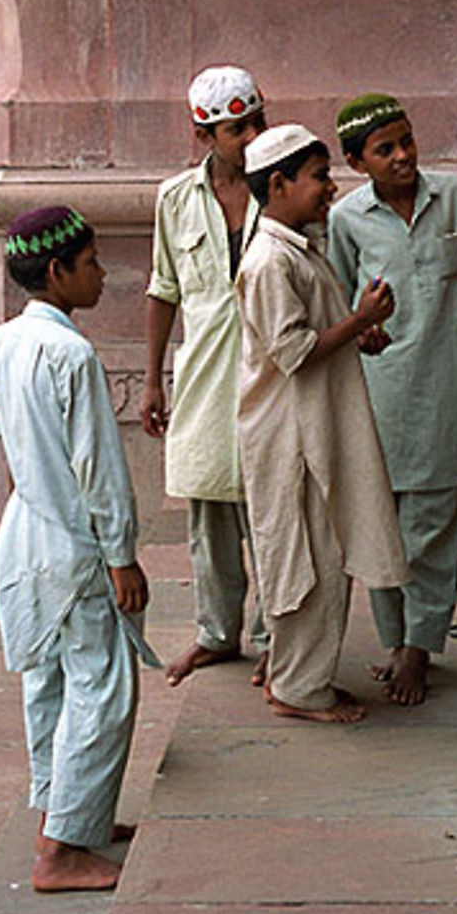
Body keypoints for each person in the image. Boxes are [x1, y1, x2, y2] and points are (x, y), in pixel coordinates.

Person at [0, 206, 157, 894]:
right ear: (57, 272)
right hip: (74, 548)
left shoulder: (5, 343)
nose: (102, 274)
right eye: (91, 263)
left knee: (52, 685)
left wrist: (20, 435)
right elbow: (99, 470)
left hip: (29, 538)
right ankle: (60, 852)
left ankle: (67, 816)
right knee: (103, 689)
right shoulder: (69, 354)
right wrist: (122, 556)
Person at [327, 92, 457, 707]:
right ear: (359, 163)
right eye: (385, 149)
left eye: (407, 141)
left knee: (433, 526)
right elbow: (338, 302)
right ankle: (395, 638)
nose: (404, 156)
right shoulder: (347, 219)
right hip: (379, 396)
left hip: (442, 391)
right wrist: (363, 325)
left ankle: (420, 646)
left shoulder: (450, 197)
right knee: (380, 524)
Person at [236, 123, 407, 724]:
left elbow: (318, 335)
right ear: (278, 184)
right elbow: (294, 352)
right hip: (289, 435)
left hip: (316, 426)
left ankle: (296, 676)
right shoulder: (267, 261)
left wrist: (363, 331)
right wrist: (360, 320)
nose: (329, 189)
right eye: (318, 178)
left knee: (321, 551)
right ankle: (297, 689)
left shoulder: (298, 247)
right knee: (302, 560)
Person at [141, 65, 269, 687]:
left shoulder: (284, 186)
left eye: (254, 125)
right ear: (204, 137)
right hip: (206, 374)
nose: (249, 139)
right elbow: (163, 289)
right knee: (211, 506)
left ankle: (277, 639)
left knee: (272, 510)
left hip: (274, 369)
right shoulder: (175, 200)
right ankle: (217, 632)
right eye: (235, 130)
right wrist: (151, 380)